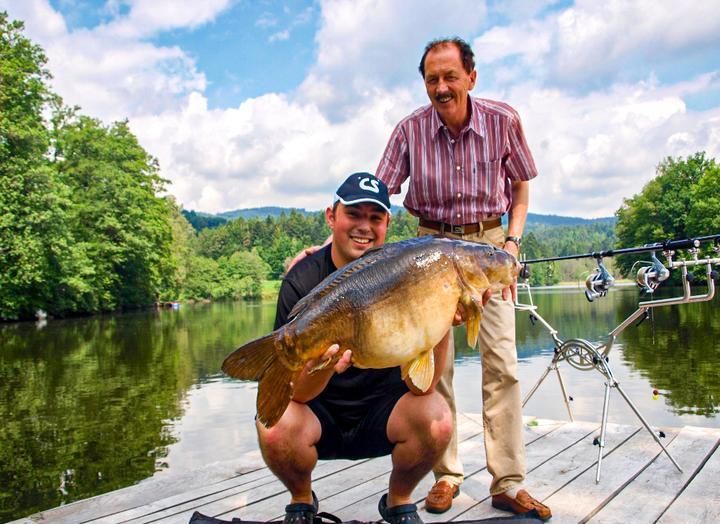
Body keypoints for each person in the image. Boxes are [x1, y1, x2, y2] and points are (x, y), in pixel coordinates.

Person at [375, 37, 551, 521]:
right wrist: (335, 246)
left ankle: (508, 482)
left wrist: (512, 243)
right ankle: (446, 475)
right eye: (432, 79)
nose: (441, 87)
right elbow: (378, 196)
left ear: (472, 77)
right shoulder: (408, 130)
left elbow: (520, 185)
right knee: (436, 369)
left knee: (503, 362)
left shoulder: (503, 120)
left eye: (450, 76)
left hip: (489, 247)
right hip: (430, 254)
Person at [258, 173, 453, 524]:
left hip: (385, 413)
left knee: (437, 418)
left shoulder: (411, 272)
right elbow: (297, 395)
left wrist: (441, 323)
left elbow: (421, 386)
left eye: (375, 218)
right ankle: (301, 502)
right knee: (272, 425)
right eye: (354, 214)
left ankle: (399, 502)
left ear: (387, 224)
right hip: (320, 416)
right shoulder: (301, 279)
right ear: (331, 217)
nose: (364, 226)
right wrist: (322, 366)